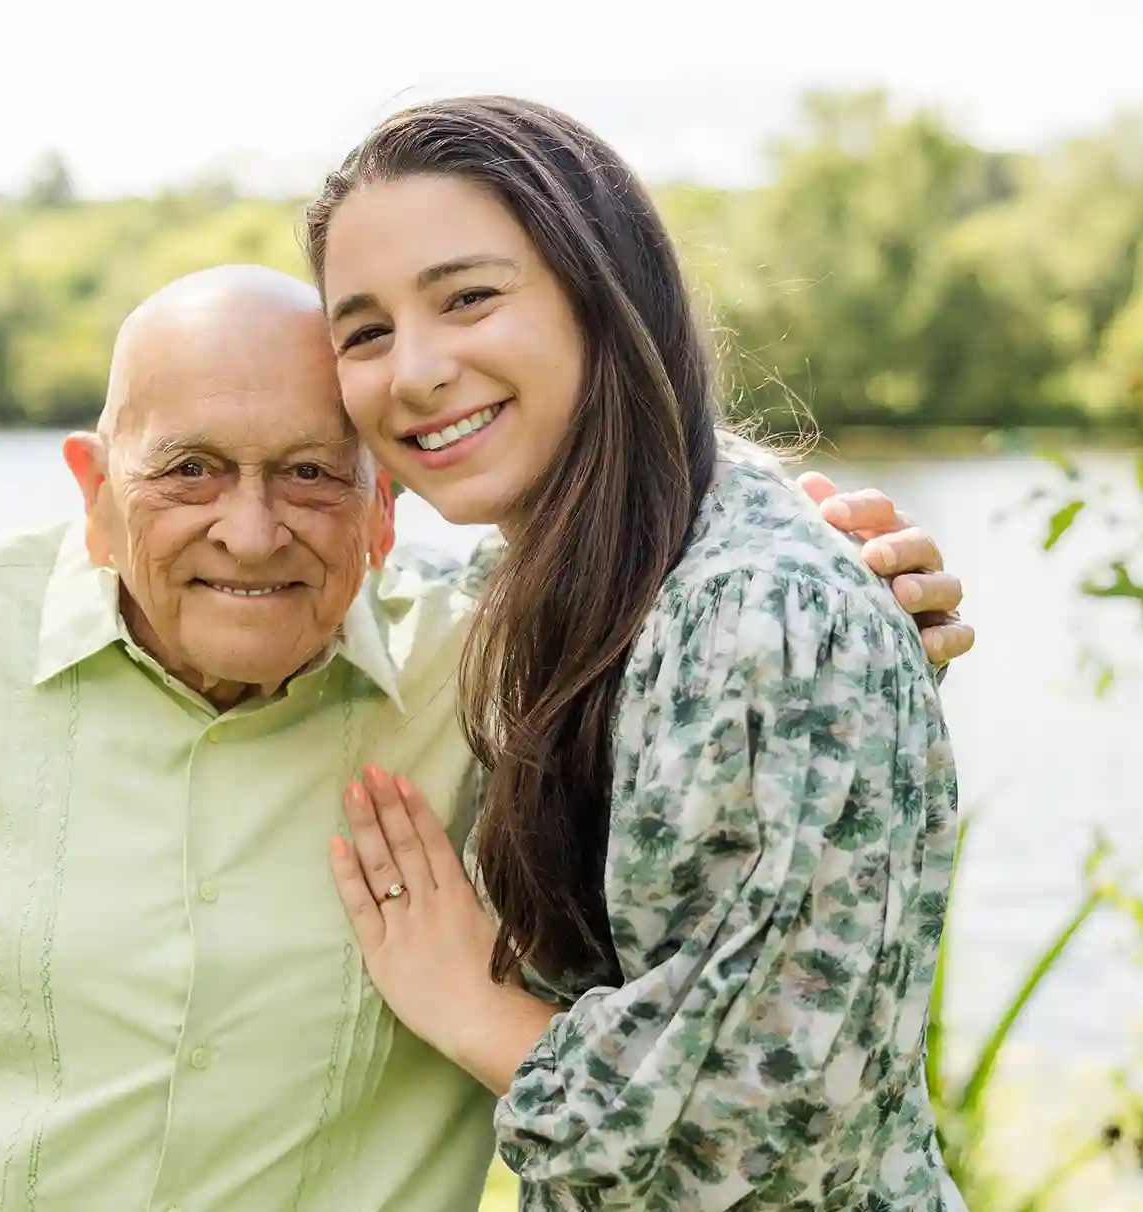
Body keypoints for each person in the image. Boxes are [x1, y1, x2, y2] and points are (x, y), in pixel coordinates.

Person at [0, 267, 969, 1212]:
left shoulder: (500, 676)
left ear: (384, 505)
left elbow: (716, 617)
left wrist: (855, 581)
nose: (250, 530)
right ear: (91, 491)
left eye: (309, 473)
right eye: (187, 471)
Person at [310, 96, 966, 1210]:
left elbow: (742, 1137)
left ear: (602, 298)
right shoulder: (558, 585)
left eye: (468, 297)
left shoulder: (760, 612)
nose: (413, 371)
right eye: (364, 331)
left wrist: (465, 1002)